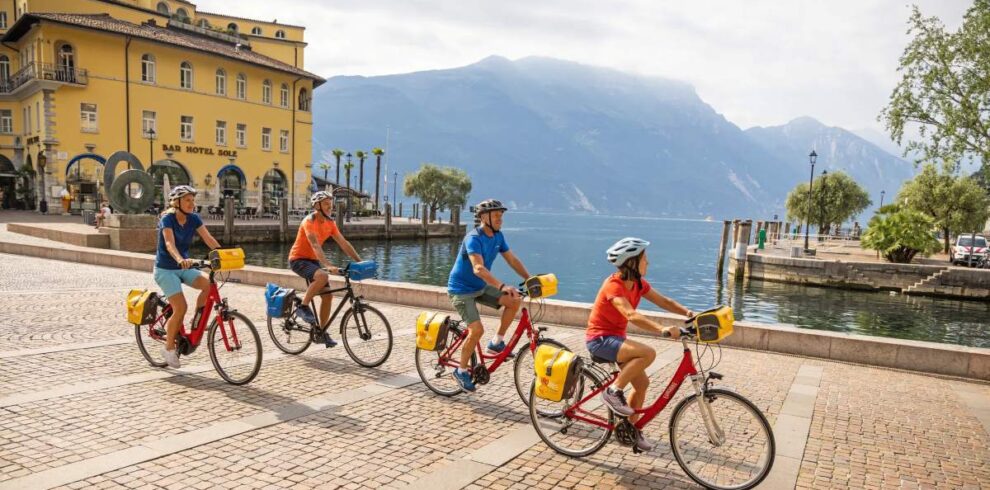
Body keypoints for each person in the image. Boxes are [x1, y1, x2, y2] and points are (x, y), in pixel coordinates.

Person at [586, 237, 694, 451]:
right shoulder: (613, 286)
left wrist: (689, 313)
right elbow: (630, 314)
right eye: (645, 259)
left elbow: (664, 301)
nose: (648, 263)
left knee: (642, 384)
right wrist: (661, 328)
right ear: (632, 262)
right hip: (599, 340)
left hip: (616, 339)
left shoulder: (638, 284)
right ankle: (613, 392)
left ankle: (630, 431)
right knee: (647, 353)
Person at [447, 199, 531, 393]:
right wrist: (502, 285)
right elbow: (478, 268)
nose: (500, 219)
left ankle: (496, 343)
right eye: (496, 216)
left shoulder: (498, 237)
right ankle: (460, 371)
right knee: (476, 330)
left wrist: (530, 279)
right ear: (484, 218)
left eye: (501, 216)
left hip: (480, 287)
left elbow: (512, 259)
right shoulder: (473, 238)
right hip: (461, 290)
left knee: (514, 300)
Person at [154, 185, 221, 368]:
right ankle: (168, 349)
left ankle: (196, 321)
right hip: (166, 269)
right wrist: (179, 259)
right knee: (180, 307)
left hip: (184, 266)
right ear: (176, 203)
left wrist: (224, 254)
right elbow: (169, 243)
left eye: (193, 200)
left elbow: (208, 239)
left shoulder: (193, 219)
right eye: (187, 200)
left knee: (208, 285)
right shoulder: (167, 219)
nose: (192, 204)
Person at [288, 190, 362, 347]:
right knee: (323, 276)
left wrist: (359, 261)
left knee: (328, 297)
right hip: (298, 259)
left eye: (331, 204)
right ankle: (302, 306)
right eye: (327, 204)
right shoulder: (309, 221)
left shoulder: (330, 223)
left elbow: (344, 243)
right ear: (317, 205)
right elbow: (314, 244)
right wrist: (327, 265)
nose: (330, 207)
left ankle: (320, 332)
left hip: (313, 261)